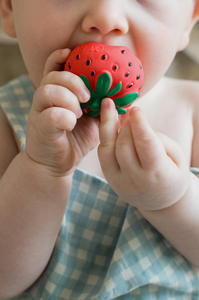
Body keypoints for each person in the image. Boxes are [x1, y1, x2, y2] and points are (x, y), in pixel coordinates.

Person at [0, 0, 199, 299]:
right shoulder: (6, 118)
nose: (106, 18)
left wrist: (174, 198)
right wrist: (42, 168)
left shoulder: (192, 113)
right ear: (9, 8)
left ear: (188, 21)